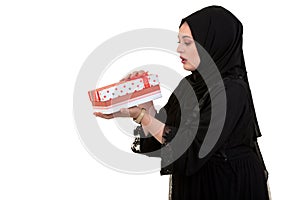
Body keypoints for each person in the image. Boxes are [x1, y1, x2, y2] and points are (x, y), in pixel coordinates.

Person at [94, 5, 270, 200]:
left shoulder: (231, 91)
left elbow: (191, 151)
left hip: (227, 186)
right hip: (196, 184)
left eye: (187, 42)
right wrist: (144, 107)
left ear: (212, 43)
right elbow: (163, 136)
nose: (179, 49)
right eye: (179, 42)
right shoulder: (189, 84)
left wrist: (144, 117)